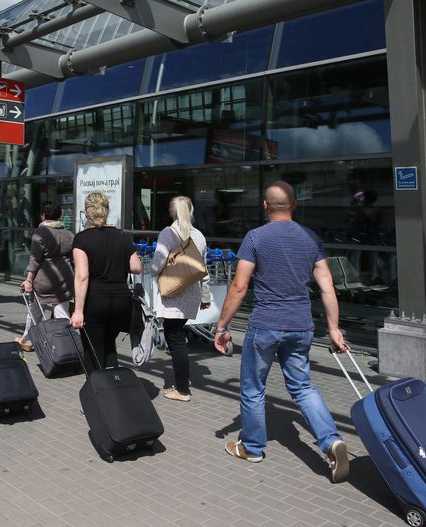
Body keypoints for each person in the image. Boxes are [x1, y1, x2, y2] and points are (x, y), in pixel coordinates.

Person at [214, 181, 351, 483]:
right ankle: (331, 441)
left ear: (265, 205)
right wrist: (334, 329)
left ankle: (252, 447)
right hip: (301, 326)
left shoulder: (255, 237)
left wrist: (222, 327)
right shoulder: (310, 238)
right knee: (303, 388)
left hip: (266, 324)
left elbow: (239, 286)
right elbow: (327, 287)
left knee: (253, 388)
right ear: (294, 205)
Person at [70, 192, 143, 372]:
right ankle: (114, 384)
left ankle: (97, 387)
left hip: (95, 301)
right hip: (121, 302)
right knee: (109, 344)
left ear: (87, 213)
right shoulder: (122, 237)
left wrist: (78, 311)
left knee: (93, 351)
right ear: (106, 211)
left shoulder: (81, 239)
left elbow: (82, 276)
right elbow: (136, 267)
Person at [150, 196, 211, 402]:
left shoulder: (168, 233)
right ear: (190, 211)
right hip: (191, 293)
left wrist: (153, 270)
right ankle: (183, 379)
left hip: (173, 294)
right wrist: (205, 296)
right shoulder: (199, 236)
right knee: (177, 337)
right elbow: (204, 270)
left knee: (175, 341)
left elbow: (157, 264)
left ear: (171, 212)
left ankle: (182, 389)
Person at [17, 201, 75, 351]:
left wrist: (29, 280)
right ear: (59, 216)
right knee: (63, 314)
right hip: (65, 280)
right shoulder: (69, 234)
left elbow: (35, 259)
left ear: (43, 216)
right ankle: (67, 345)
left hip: (44, 281)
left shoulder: (40, 233)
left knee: (35, 312)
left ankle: (28, 341)